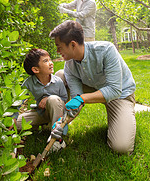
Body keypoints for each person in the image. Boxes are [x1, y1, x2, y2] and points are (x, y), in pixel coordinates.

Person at [49, 20, 136, 154]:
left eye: (59, 47)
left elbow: (114, 90)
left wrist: (82, 98)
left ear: (73, 44)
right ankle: (58, 132)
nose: (57, 51)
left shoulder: (106, 50)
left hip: (120, 94)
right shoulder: (69, 65)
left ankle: (125, 116)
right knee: (60, 76)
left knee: (121, 147)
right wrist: (62, 121)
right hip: (93, 87)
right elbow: (76, 99)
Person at [16, 48, 68, 151]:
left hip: (57, 112)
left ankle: (56, 139)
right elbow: (18, 100)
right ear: (35, 70)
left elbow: (64, 99)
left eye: (50, 60)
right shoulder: (29, 83)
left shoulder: (57, 81)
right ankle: (40, 125)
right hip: (41, 113)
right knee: (16, 124)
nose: (51, 63)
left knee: (53, 99)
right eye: (46, 61)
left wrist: (48, 98)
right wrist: (13, 117)